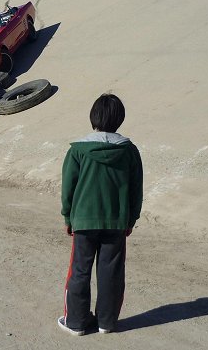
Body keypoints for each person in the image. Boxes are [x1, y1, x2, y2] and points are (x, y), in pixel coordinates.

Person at [57, 93, 143, 335]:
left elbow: (68, 188)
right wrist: (131, 219)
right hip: (116, 222)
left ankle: (76, 322)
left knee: (80, 271)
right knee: (111, 272)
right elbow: (137, 188)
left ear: (93, 117)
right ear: (120, 119)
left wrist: (67, 217)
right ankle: (106, 322)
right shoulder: (129, 151)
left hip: (83, 221)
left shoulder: (77, 151)